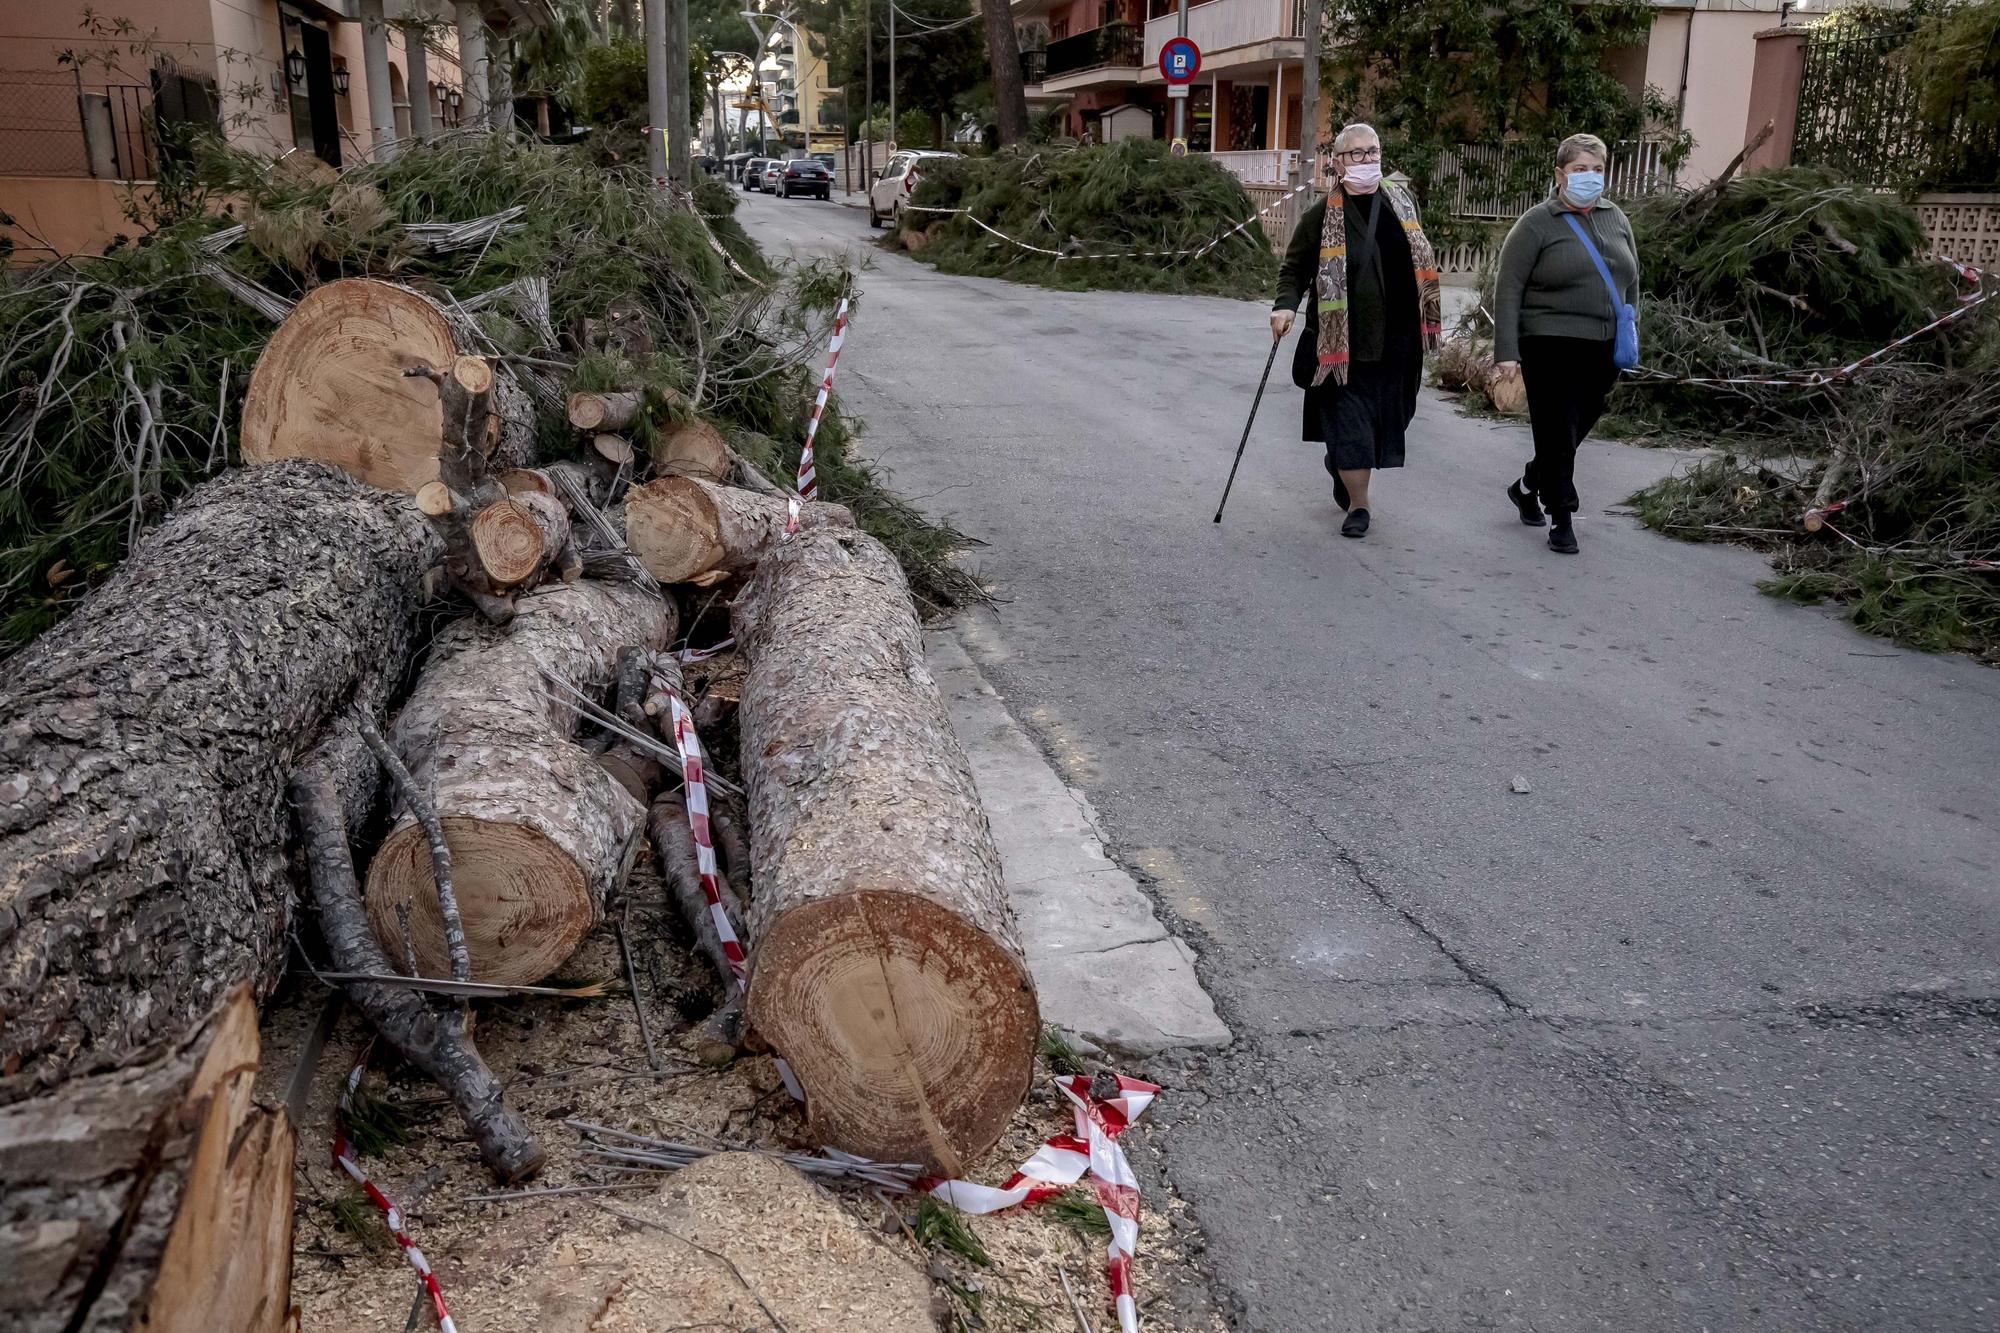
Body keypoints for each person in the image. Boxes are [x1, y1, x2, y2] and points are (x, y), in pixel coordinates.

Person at [1270, 123, 1443, 539]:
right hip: (1342, 344)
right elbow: (1294, 269)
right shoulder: (1320, 216)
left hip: (1400, 340)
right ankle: (1359, 504)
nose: (1367, 161)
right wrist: (1284, 307)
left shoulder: (1403, 204)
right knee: (1351, 426)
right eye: (1357, 154)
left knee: (1393, 418)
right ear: (1338, 162)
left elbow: (1420, 260)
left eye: (1373, 152)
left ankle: (1339, 463)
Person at [1491, 133, 1642, 555]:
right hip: (1548, 341)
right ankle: (1562, 515)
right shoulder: (1538, 222)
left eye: (1597, 170)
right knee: (1557, 428)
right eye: (1580, 170)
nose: (1589, 177)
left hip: (1603, 345)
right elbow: (1509, 287)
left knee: (1574, 427)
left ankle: (1527, 486)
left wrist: (1630, 325)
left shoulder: (1616, 218)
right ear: (1560, 174)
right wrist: (1506, 351)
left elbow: (1631, 279)